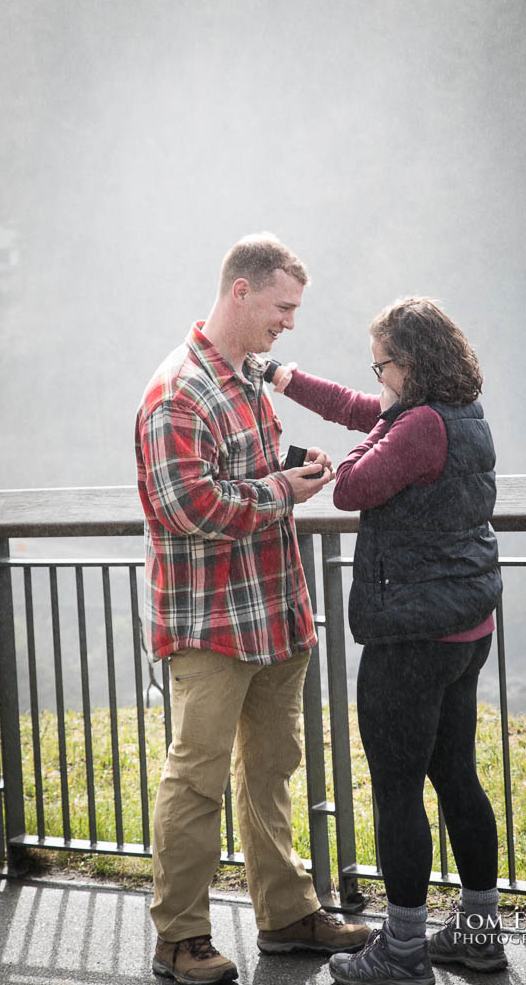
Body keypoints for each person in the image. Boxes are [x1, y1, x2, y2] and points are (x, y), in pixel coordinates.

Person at [135, 233, 370, 985]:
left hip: (271, 612)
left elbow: (237, 482)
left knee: (271, 768)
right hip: (209, 625)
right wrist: (281, 492)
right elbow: (185, 506)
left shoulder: (244, 380)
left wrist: (290, 471)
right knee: (196, 779)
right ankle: (179, 939)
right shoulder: (178, 390)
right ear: (241, 291)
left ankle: (287, 914)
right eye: (282, 307)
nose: (289, 323)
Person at [269, 298, 507, 985]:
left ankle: (401, 951)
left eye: (381, 365)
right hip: (466, 625)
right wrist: (286, 379)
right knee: (456, 777)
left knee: (396, 791)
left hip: (410, 635)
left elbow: (355, 488)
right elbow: (361, 410)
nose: (375, 379)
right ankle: (478, 931)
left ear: (410, 362)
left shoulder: (417, 426)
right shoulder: (459, 414)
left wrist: (334, 462)